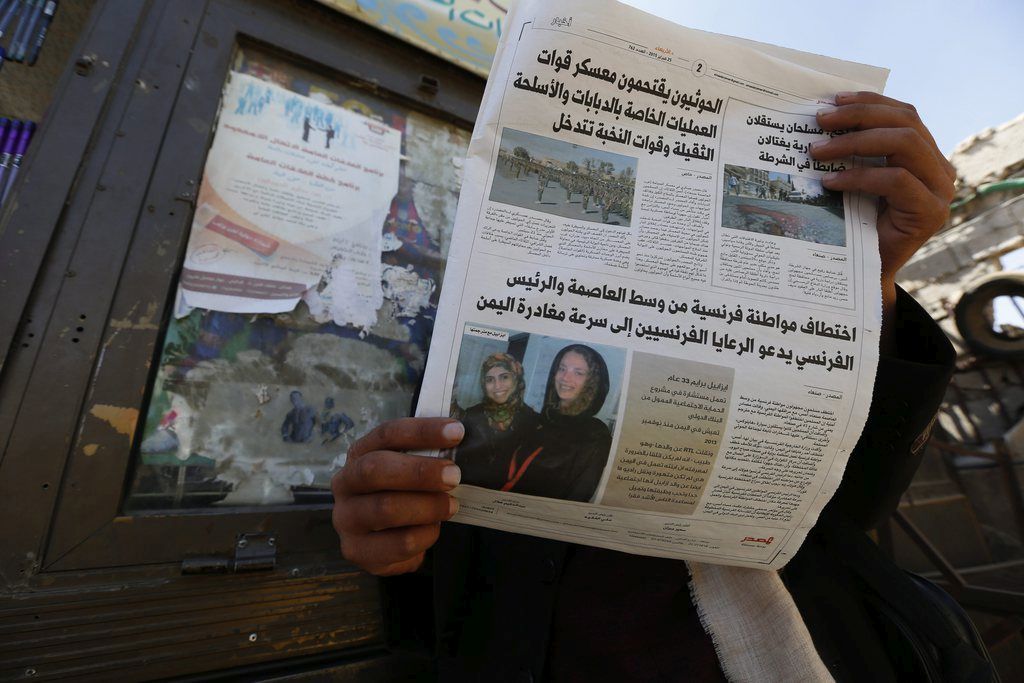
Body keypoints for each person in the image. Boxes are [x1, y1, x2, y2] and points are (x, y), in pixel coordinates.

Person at [330, 93, 959, 680]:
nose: (567, 377)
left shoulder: (747, 340)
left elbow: (850, 512)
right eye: (561, 369)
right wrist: (389, 535)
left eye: (581, 369)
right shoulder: (471, 388)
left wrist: (862, 281)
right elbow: (432, 576)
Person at [500, 344, 611, 502]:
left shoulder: (594, 434)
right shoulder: (541, 419)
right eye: (562, 368)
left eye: (578, 373)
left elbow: (579, 494)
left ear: (592, 382)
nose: (565, 378)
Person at [455, 352, 538, 490]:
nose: (497, 386)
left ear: (516, 379)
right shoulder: (470, 415)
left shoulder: (534, 422)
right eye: (489, 380)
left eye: (504, 377)